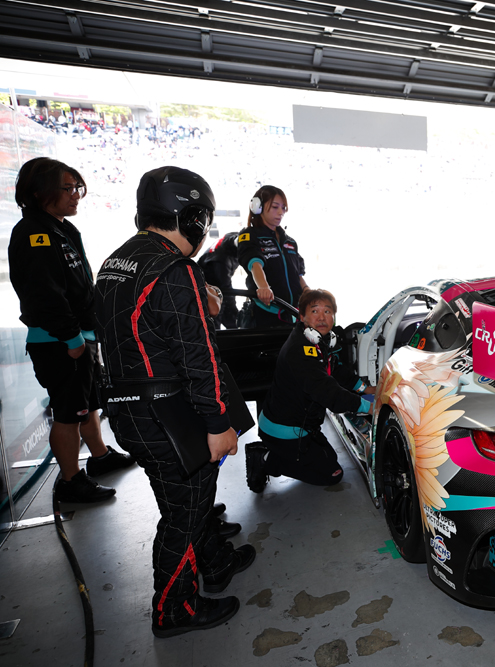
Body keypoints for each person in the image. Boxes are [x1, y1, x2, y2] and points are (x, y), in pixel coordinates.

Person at [94, 166, 255, 638]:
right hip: (168, 414)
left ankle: (214, 562)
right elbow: (198, 356)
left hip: (129, 411)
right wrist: (218, 423)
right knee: (183, 514)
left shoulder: (118, 259)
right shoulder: (175, 268)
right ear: (193, 217)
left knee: (187, 499)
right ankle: (173, 610)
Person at [8, 157, 133, 503]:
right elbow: (44, 295)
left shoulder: (60, 229)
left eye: (77, 187)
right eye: (67, 188)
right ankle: (70, 480)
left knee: (87, 404)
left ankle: (100, 456)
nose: (75, 195)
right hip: (60, 342)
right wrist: (71, 337)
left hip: (78, 336)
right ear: (39, 192)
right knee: (68, 414)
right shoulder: (34, 233)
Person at [246, 289, 372, 493]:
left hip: (302, 423)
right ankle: (263, 458)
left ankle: (285, 453)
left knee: (329, 458)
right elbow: (327, 391)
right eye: (315, 311)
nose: (322, 317)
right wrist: (368, 406)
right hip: (283, 429)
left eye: (327, 311)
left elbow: (335, 369)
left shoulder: (319, 341)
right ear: (302, 317)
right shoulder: (300, 350)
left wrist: (365, 388)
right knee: (332, 474)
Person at [236, 186, 307, 327]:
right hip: (265, 314)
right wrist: (263, 287)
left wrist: (307, 291)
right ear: (258, 207)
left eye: (283, 208)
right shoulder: (249, 235)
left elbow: (297, 274)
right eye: (275, 207)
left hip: (292, 314)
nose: (281, 212)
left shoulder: (290, 242)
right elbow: (255, 264)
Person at [196, 231, 240, 329]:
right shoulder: (222, 261)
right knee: (216, 320)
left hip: (210, 281)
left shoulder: (231, 237)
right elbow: (226, 287)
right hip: (210, 288)